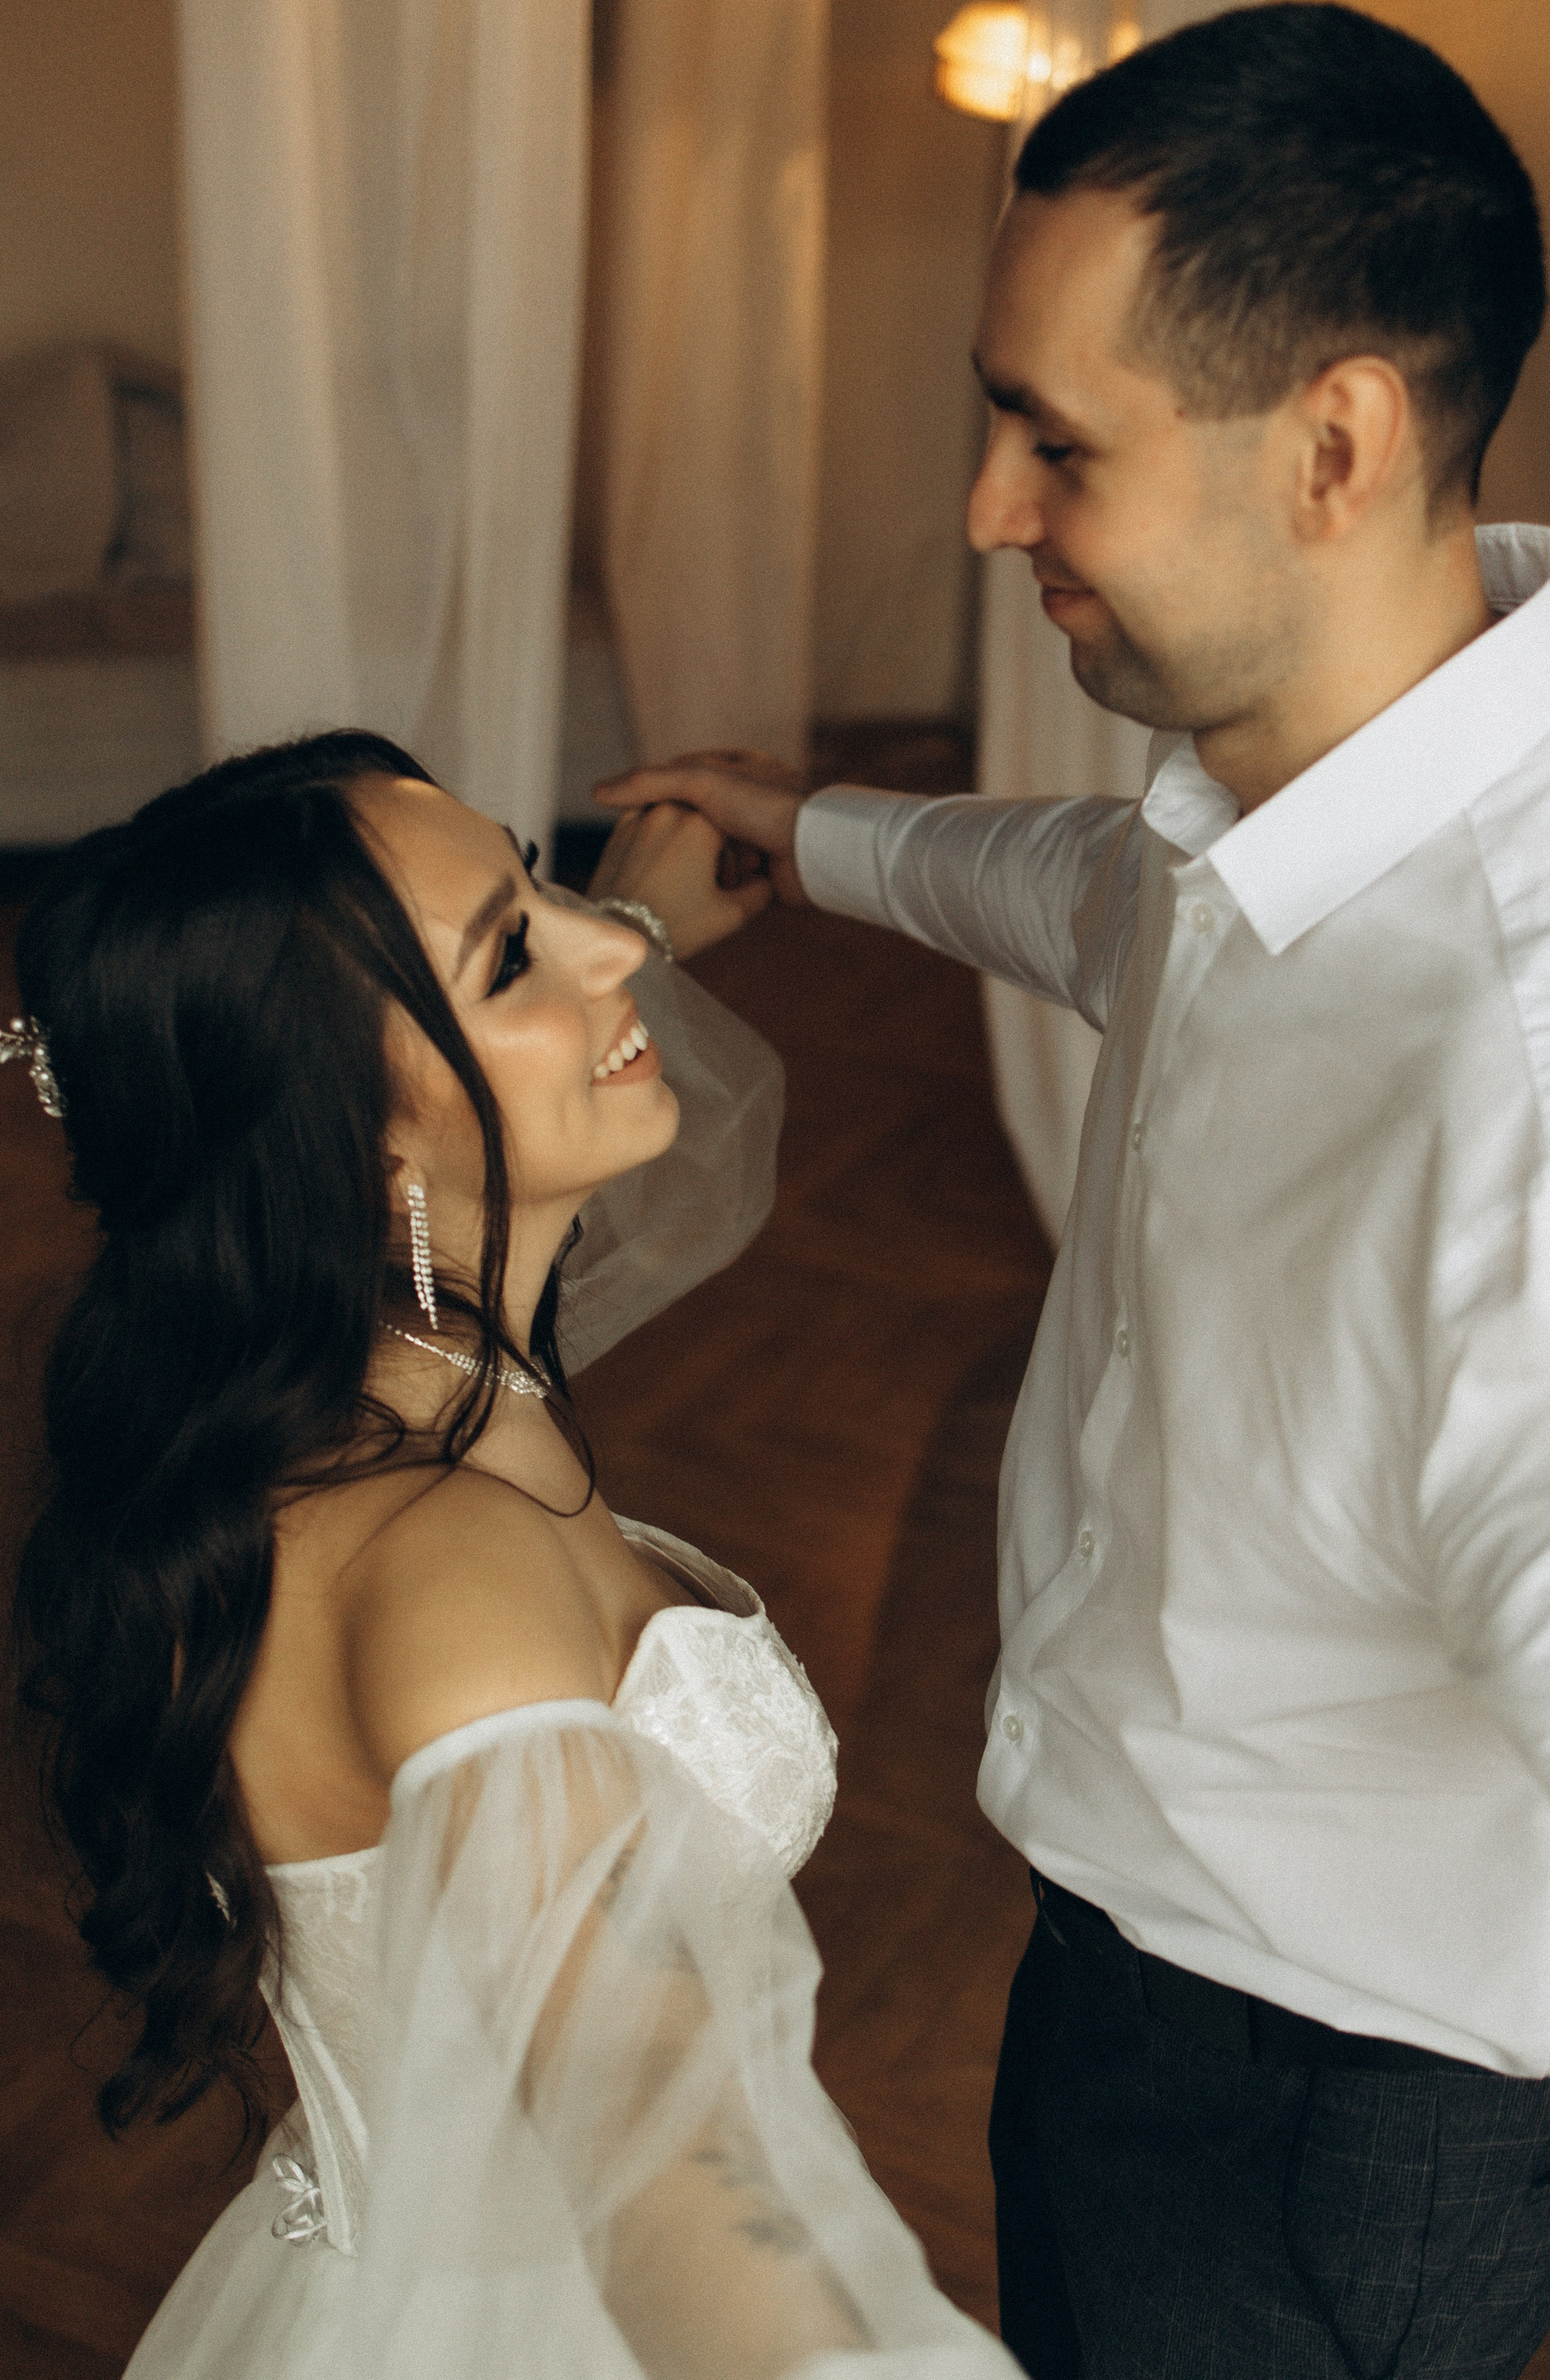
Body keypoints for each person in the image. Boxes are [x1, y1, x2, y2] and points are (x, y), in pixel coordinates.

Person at [597, 7, 1550, 2376]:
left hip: (1323, 2101)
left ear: (1333, 443)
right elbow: (1099, 898)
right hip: (1134, 1961)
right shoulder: (1315, 792)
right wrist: (816, 833)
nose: (984, 510)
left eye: (1058, 444)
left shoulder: (1528, 1091)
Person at [5, 729, 1022, 2379]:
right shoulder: (449, 1571)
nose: (610, 946)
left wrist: (628, 930)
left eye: (543, 879)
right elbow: (659, 2148)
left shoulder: (376, 1372)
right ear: (362, 1139)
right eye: (515, 955)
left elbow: (515, 1141)